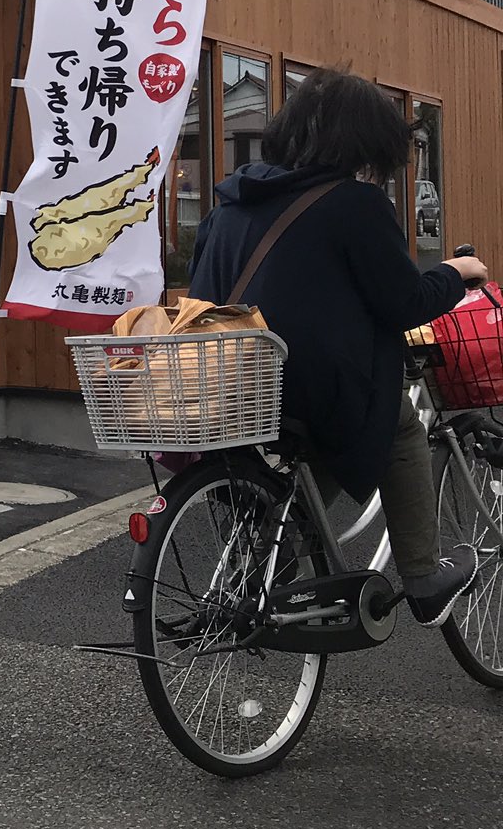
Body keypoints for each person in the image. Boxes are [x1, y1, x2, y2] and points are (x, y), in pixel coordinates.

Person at [187, 67, 481, 626]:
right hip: (308, 381)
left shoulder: (231, 200)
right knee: (395, 426)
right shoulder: (355, 205)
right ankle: (423, 579)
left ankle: (251, 579)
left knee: (318, 444)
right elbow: (403, 302)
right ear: (364, 141)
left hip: (234, 382)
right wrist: (455, 271)